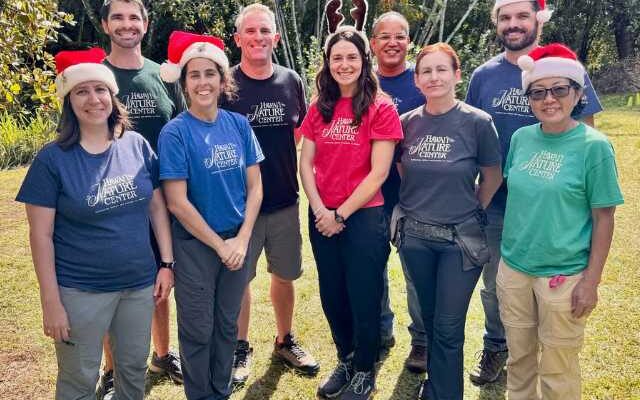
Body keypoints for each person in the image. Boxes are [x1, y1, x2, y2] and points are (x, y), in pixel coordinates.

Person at [16, 47, 174, 400]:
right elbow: (40, 236)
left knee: (133, 370)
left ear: (112, 96)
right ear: (69, 101)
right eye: (81, 91)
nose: (93, 99)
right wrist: (51, 301)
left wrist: (166, 263)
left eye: (100, 90)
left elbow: (157, 209)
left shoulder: (136, 145)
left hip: (138, 286)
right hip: (80, 292)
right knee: (79, 380)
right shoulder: (52, 160)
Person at [465, 0, 604, 385]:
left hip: (554, 207)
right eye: (505, 17)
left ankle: (551, 355)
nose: (513, 24)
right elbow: (472, 133)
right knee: (497, 286)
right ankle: (498, 346)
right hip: (498, 202)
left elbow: (586, 135)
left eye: (521, 15)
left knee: (553, 302)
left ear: (537, 20)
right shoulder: (483, 75)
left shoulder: (566, 69)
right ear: (497, 23)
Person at [498, 43, 623, 400]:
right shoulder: (521, 139)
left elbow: (604, 218)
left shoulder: (594, 146)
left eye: (559, 89)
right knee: (519, 360)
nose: (548, 99)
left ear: (578, 93)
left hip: (564, 276)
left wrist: (591, 282)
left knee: (558, 367)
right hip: (515, 268)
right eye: (538, 92)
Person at [157, 30, 264, 400]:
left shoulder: (238, 125)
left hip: (237, 242)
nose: (203, 82)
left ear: (222, 79)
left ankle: (220, 391)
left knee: (226, 325)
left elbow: (255, 188)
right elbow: (177, 202)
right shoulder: (175, 133)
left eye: (210, 73)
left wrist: (243, 238)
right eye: (194, 75)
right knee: (197, 330)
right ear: (184, 83)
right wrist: (220, 245)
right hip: (197, 247)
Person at [299, 24, 403, 400]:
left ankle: (364, 370)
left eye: (352, 57)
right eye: (337, 57)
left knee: (364, 295)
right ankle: (345, 358)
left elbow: (379, 173)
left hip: (363, 217)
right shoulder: (319, 106)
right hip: (322, 216)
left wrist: (339, 214)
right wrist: (319, 209)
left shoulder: (381, 107)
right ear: (327, 63)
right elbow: (305, 162)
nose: (344, 64)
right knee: (332, 294)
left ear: (364, 61)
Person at [395, 42, 503, 400]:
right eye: (426, 70)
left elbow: (492, 176)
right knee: (429, 316)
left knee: (448, 326)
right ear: (417, 79)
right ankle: (437, 385)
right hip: (415, 238)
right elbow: (401, 170)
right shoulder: (406, 124)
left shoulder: (477, 122)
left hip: (461, 242)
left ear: (457, 75)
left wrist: (472, 206)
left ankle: (445, 393)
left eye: (442, 69)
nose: (434, 76)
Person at [219, 3, 318, 384]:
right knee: (239, 278)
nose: (259, 38)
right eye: (251, 31)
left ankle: (284, 339)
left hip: (283, 199)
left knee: (285, 274)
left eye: (265, 32)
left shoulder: (290, 80)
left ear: (275, 37)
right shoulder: (225, 82)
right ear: (239, 38)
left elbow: (299, 133)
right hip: (237, 204)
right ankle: (240, 346)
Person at [98, 1, 187, 395]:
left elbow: (181, 132)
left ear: (146, 24)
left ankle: (163, 354)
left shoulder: (163, 76)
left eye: (134, 16)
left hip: (163, 199)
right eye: (117, 16)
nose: (127, 24)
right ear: (104, 24)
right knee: (111, 286)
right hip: (111, 201)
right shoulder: (96, 76)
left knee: (161, 277)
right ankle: (112, 367)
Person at [369, 10, 427, 372]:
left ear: (408, 42)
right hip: (370, 195)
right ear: (372, 43)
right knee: (372, 267)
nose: (392, 43)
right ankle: (379, 329)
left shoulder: (422, 82)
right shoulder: (360, 82)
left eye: (400, 36)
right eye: (384, 36)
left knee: (417, 272)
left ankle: (421, 340)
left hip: (416, 195)